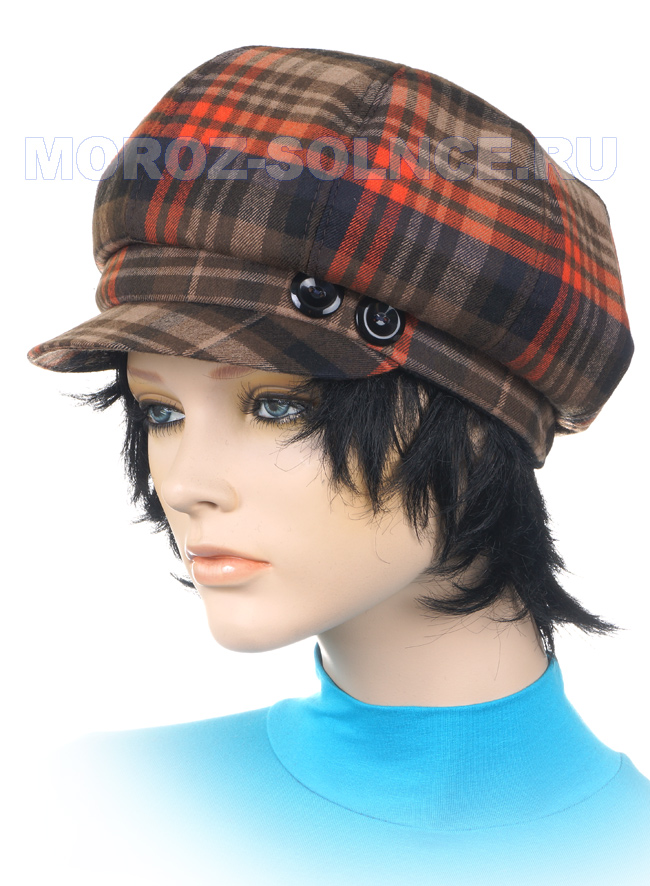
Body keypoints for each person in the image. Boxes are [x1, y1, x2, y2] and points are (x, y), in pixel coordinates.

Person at [27, 46, 649, 885]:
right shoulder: (85, 815)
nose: (184, 484)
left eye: (276, 407)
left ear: (476, 425)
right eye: (162, 413)